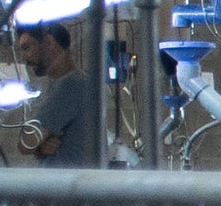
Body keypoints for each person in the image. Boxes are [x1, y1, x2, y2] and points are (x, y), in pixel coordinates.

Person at [12, 23, 132, 166]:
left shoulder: (71, 85)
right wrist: (40, 148)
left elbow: (26, 143)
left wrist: (37, 145)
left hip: (69, 185)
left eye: (27, 48)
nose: (24, 58)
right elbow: (33, 142)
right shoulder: (66, 84)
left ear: (50, 43)